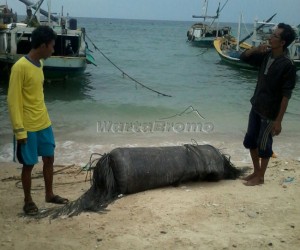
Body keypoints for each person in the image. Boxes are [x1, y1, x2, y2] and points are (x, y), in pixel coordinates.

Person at [7, 26, 68, 216]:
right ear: (42, 45)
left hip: (43, 121)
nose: (53, 50)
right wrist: (19, 130)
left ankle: (49, 194)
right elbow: (13, 100)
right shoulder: (20, 67)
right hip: (27, 126)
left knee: (49, 157)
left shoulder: (39, 64)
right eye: (51, 46)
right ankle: (28, 200)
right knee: (29, 164)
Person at [240, 23, 297, 186]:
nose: (270, 38)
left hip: (270, 113)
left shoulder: (287, 65)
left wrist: (278, 121)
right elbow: (243, 57)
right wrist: (256, 49)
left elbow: (286, 96)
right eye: (271, 34)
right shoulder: (265, 56)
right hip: (256, 105)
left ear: (283, 42)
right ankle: (256, 172)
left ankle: (261, 177)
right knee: (250, 140)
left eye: (274, 36)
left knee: (264, 145)